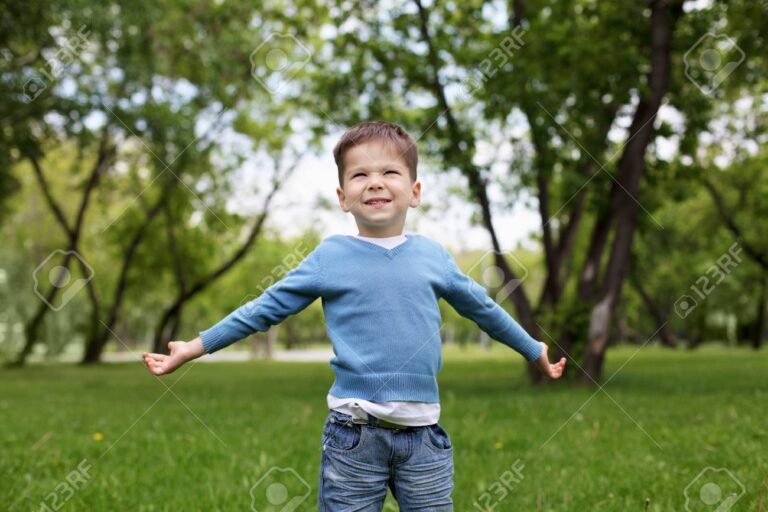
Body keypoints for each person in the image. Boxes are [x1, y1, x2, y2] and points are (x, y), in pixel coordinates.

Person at [142, 120, 566, 511]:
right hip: (353, 435)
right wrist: (193, 348)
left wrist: (533, 349)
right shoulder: (330, 257)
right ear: (343, 197)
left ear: (414, 192)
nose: (375, 183)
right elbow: (262, 310)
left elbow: (484, 310)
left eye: (389, 173)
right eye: (360, 175)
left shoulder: (433, 257)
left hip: (424, 440)